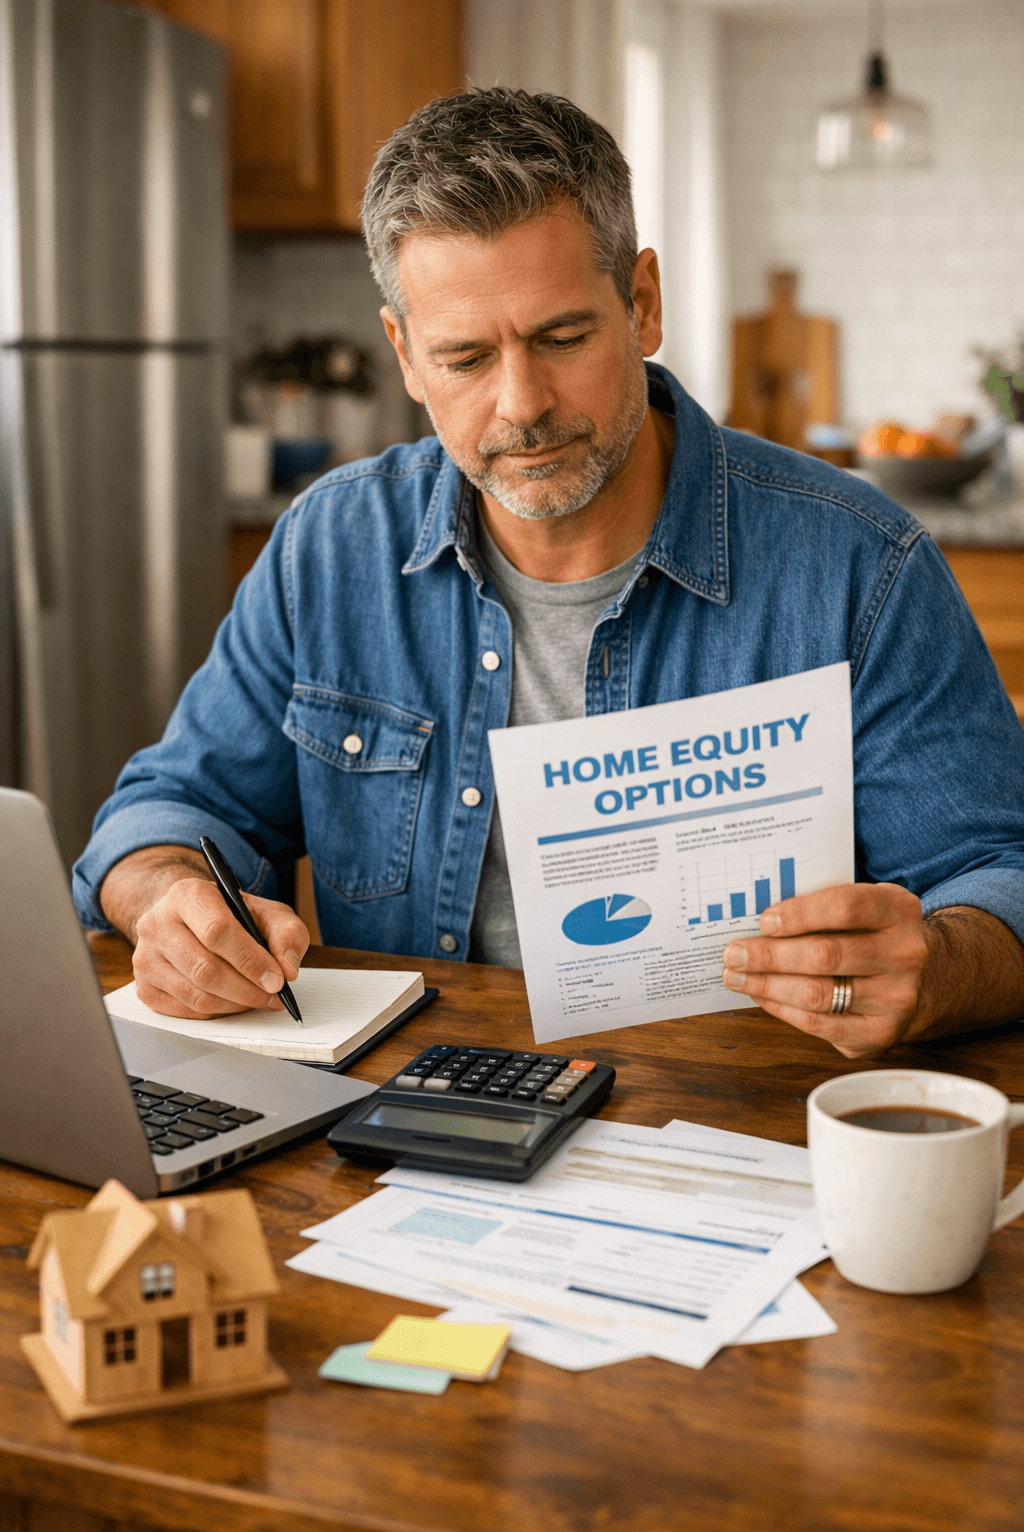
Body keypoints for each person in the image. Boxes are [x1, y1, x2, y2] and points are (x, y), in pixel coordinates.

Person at [74, 88, 1024, 1061]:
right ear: (405, 355)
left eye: (561, 338)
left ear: (642, 303)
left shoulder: (861, 565)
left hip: (740, 1114)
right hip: (404, 1114)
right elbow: (165, 813)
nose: (521, 405)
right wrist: (169, 901)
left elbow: (1002, 875)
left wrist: (936, 967)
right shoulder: (329, 547)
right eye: (464, 358)